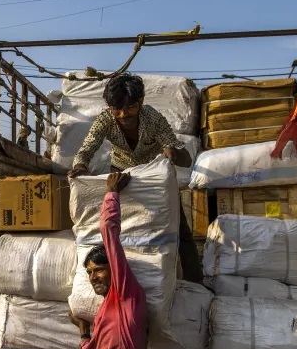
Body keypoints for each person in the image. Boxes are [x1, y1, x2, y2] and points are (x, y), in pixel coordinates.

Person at [68, 73, 201, 282]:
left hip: (153, 180)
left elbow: (178, 151)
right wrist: (80, 165)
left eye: (130, 107)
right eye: (117, 109)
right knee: (121, 229)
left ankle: (194, 281)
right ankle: (124, 278)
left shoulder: (153, 118)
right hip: (122, 180)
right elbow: (87, 147)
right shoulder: (105, 120)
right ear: (110, 107)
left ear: (140, 102)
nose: (123, 114)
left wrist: (172, 153)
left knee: (179, 230)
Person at [70, 172, 148, 349]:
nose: (94, 277)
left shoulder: (126, 294)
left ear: (114, 268)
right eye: (90, 273)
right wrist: (84, 332)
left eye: (99, 269)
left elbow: (109, 232)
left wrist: (111, 193)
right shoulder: (105, 310)